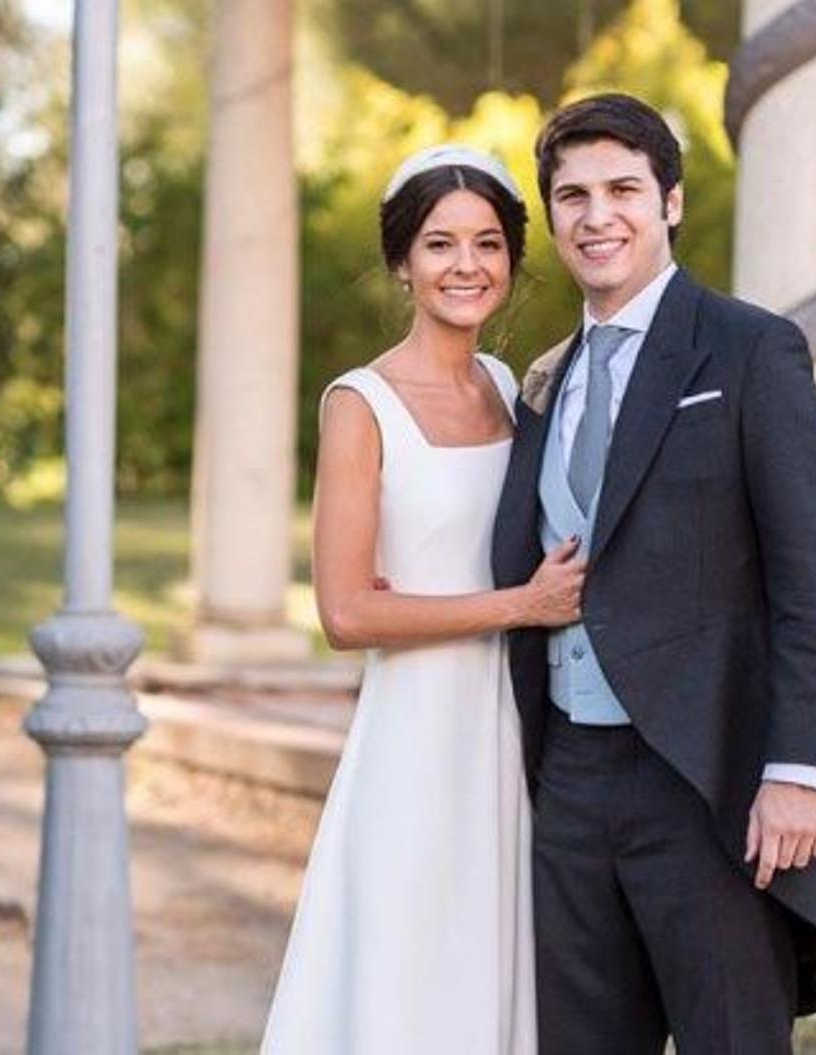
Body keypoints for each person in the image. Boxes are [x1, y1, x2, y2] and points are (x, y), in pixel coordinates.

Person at [491, 93, 816, 1054]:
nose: (596, 215)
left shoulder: (749, 348)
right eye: (572, 195)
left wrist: (800, 768)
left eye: (622, 189)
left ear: (672, 201)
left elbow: (811, 577)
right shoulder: (544, 378)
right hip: (567, 780)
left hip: (708, 781)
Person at [260, 145, 584, 1054]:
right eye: (440, 244)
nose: (466, 266)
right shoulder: (360, 405)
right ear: (403, 262)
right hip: (414, 738)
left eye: (487, 244)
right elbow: (346, 614)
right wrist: (519, 605)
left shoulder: (509, 390)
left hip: (511, 732)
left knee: (491, 977)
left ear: (514, 263)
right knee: (407, 977)